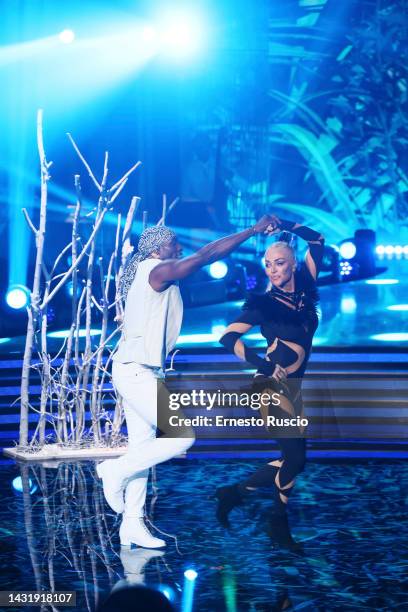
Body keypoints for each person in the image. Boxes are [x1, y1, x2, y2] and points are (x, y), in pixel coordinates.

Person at [96, 215, 277, 549]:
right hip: (135, 371)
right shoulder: (157, 271)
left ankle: (132, 525)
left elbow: (202, 254)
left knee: (143, 448)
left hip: (140, 370)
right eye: (174, 243)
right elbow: (206, 255)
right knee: (182, 436)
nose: (179, 247)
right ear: (158, 248)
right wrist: (252, 230)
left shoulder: (147, 271)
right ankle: (113, 471)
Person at [216, 217, 324, 551]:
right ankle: (277, 524)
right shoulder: (261, 304)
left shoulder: (306, 289)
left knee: (297, 461)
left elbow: (318, 240)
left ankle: (234, 493)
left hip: (294, 388)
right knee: (293, 456)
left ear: (293, 264)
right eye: (268, 265)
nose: (273, 270)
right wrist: (262, 363)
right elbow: (227, 337)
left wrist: (286, 226)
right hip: (269, 388)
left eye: (279, 264)